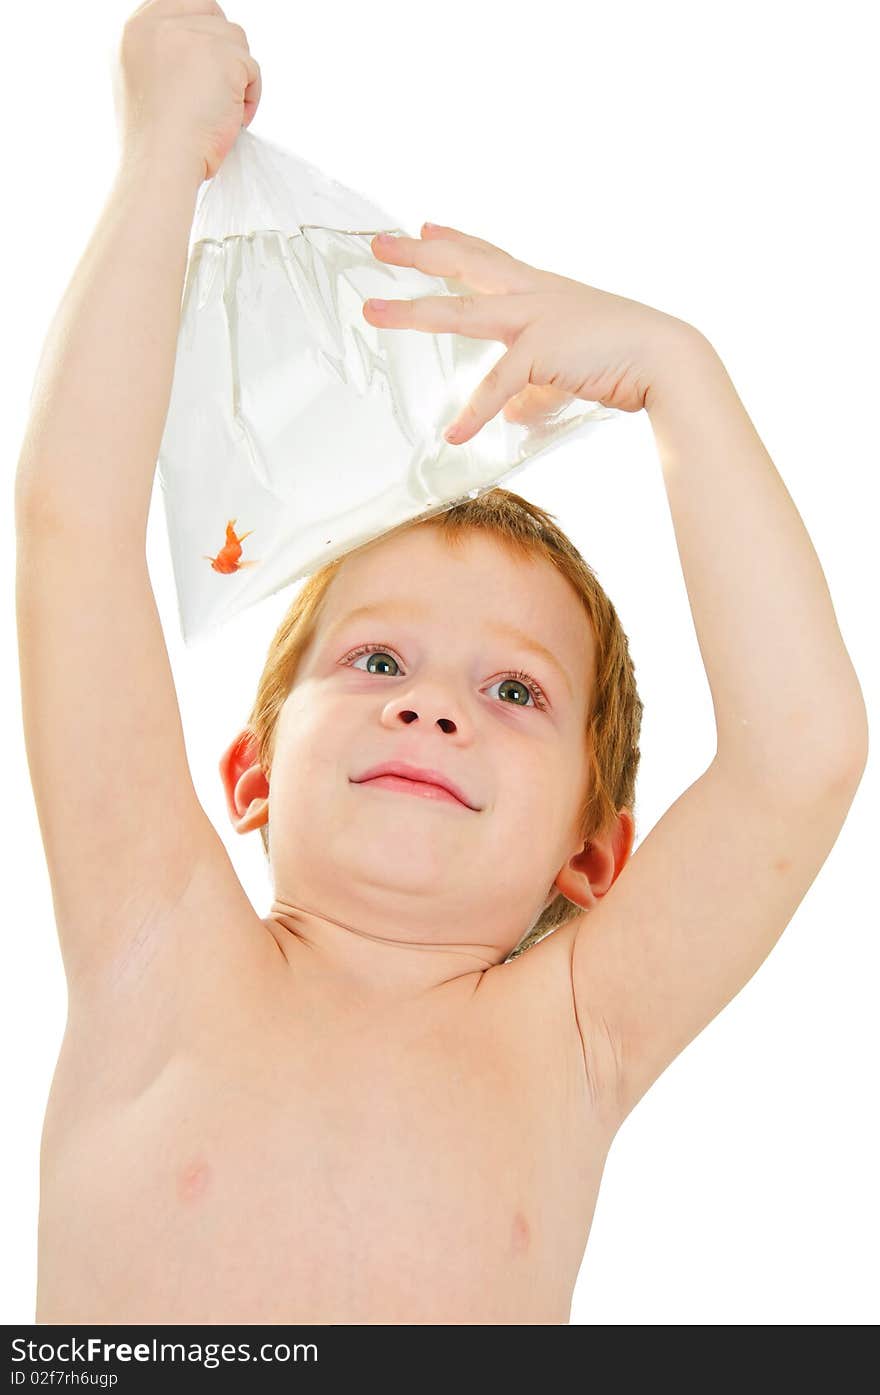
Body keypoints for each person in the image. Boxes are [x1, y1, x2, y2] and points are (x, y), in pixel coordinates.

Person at [14, 0, 868, 1325]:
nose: (428, 702)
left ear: (591, 858)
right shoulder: (157, 937)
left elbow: (801, 760)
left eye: (515, 690)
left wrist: (679, 373)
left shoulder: (576, 1031)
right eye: (373, 660)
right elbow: (73, 527)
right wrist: (157, 158)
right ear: (248, 770)